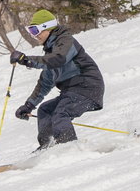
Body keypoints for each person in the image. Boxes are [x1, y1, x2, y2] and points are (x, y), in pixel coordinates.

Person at [9, 9, 105, 150]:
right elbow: (44, 83)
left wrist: (27, 60)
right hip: (73, 91)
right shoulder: (50, 53)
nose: (34, 35)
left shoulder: (66, 41)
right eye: (31, 31)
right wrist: (29, 105)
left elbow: (59, 59)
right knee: (46, 110)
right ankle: (48, 146)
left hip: (87, 87)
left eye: (35, 30)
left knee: (61, 113)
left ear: (47, 27)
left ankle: (68, 148)